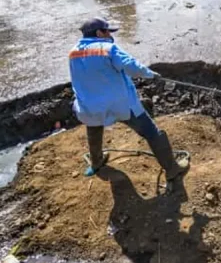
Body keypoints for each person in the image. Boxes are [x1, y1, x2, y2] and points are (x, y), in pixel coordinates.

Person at [70, 17, 190, 186]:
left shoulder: (73, 52)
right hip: (120, 104)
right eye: (107, 32)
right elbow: (130, 66)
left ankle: (96, 163)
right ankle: (172, 169)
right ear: (98, 33)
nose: (110, 36)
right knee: (150, 131)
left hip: (89, 106)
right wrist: (150, 74)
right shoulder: (107, 48)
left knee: (94, 128)